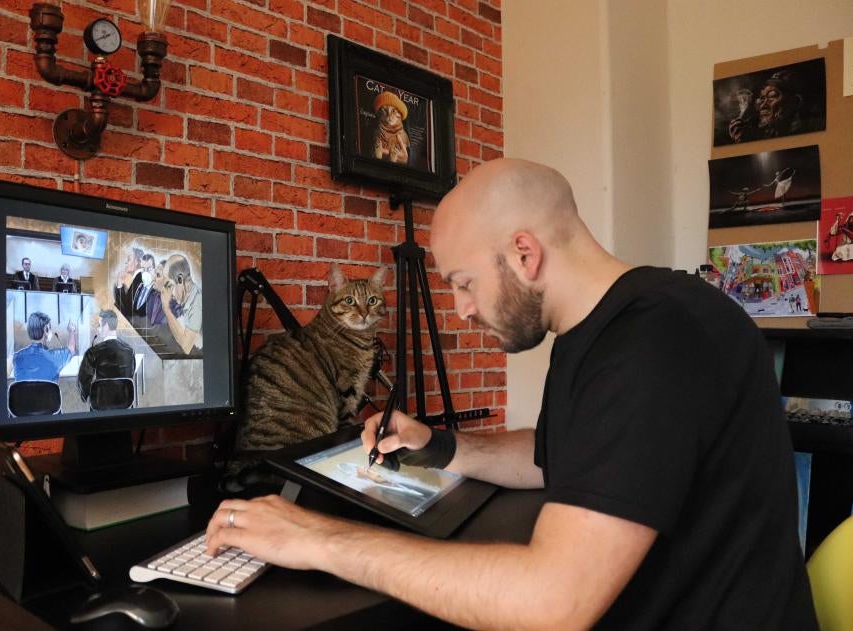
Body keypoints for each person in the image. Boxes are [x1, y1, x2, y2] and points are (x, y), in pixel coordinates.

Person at [204, 159, 816, 629]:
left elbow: (553, 603)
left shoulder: (653, 342)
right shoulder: (599, 331)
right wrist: (440, 445)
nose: (461, 309)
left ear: (524, 254)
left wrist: (316, 538)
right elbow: (563, 453)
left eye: (463, 282)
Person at [728, 69, 812, 143]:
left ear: (795, 101)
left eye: (772, 96)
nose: (763, 105)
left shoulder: (807, 131)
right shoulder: (769, 133)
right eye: (762, 98)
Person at [77, 309, 136, 404]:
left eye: (99, 325)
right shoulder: (129, 351)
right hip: (125, 403)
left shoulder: (93, 352)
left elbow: (83, 379)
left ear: (107, 326)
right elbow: (130, 375)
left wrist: (85, 396)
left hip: (101, 403)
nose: (98, 328)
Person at [12, 312, 76, 381]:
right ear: (46, 329)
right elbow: (71, 349)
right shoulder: (55, 357)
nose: (51, 331)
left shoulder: (17, 357)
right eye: (50, 327)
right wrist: (71, 331)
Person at [160, 254, 202, 355]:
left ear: (180, 279)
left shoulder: (196, 302)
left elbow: (186, 346)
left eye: (169, 285)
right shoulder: (186, 299)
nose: (169, 293)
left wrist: (166, 308)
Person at [114, 247, 144, 320]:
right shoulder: (136, 279)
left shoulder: (139, 280)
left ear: (136, 262)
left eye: (129, 259)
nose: (126, 262)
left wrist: (119, 284)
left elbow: (126, 310)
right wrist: (120, 284)